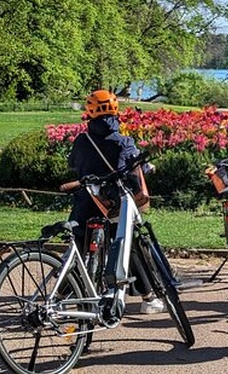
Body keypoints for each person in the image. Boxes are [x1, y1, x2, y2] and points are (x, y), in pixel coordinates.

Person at [68, 90, 163, 314]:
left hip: (86, 203)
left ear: (89, 112)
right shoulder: (122, 141)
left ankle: (64, 291)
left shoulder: (82, 141)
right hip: (112, 206)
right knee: (128, 247)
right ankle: (148, 297)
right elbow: (133, 168)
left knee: (78, 248)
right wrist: (148, 169)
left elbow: (73, 164)